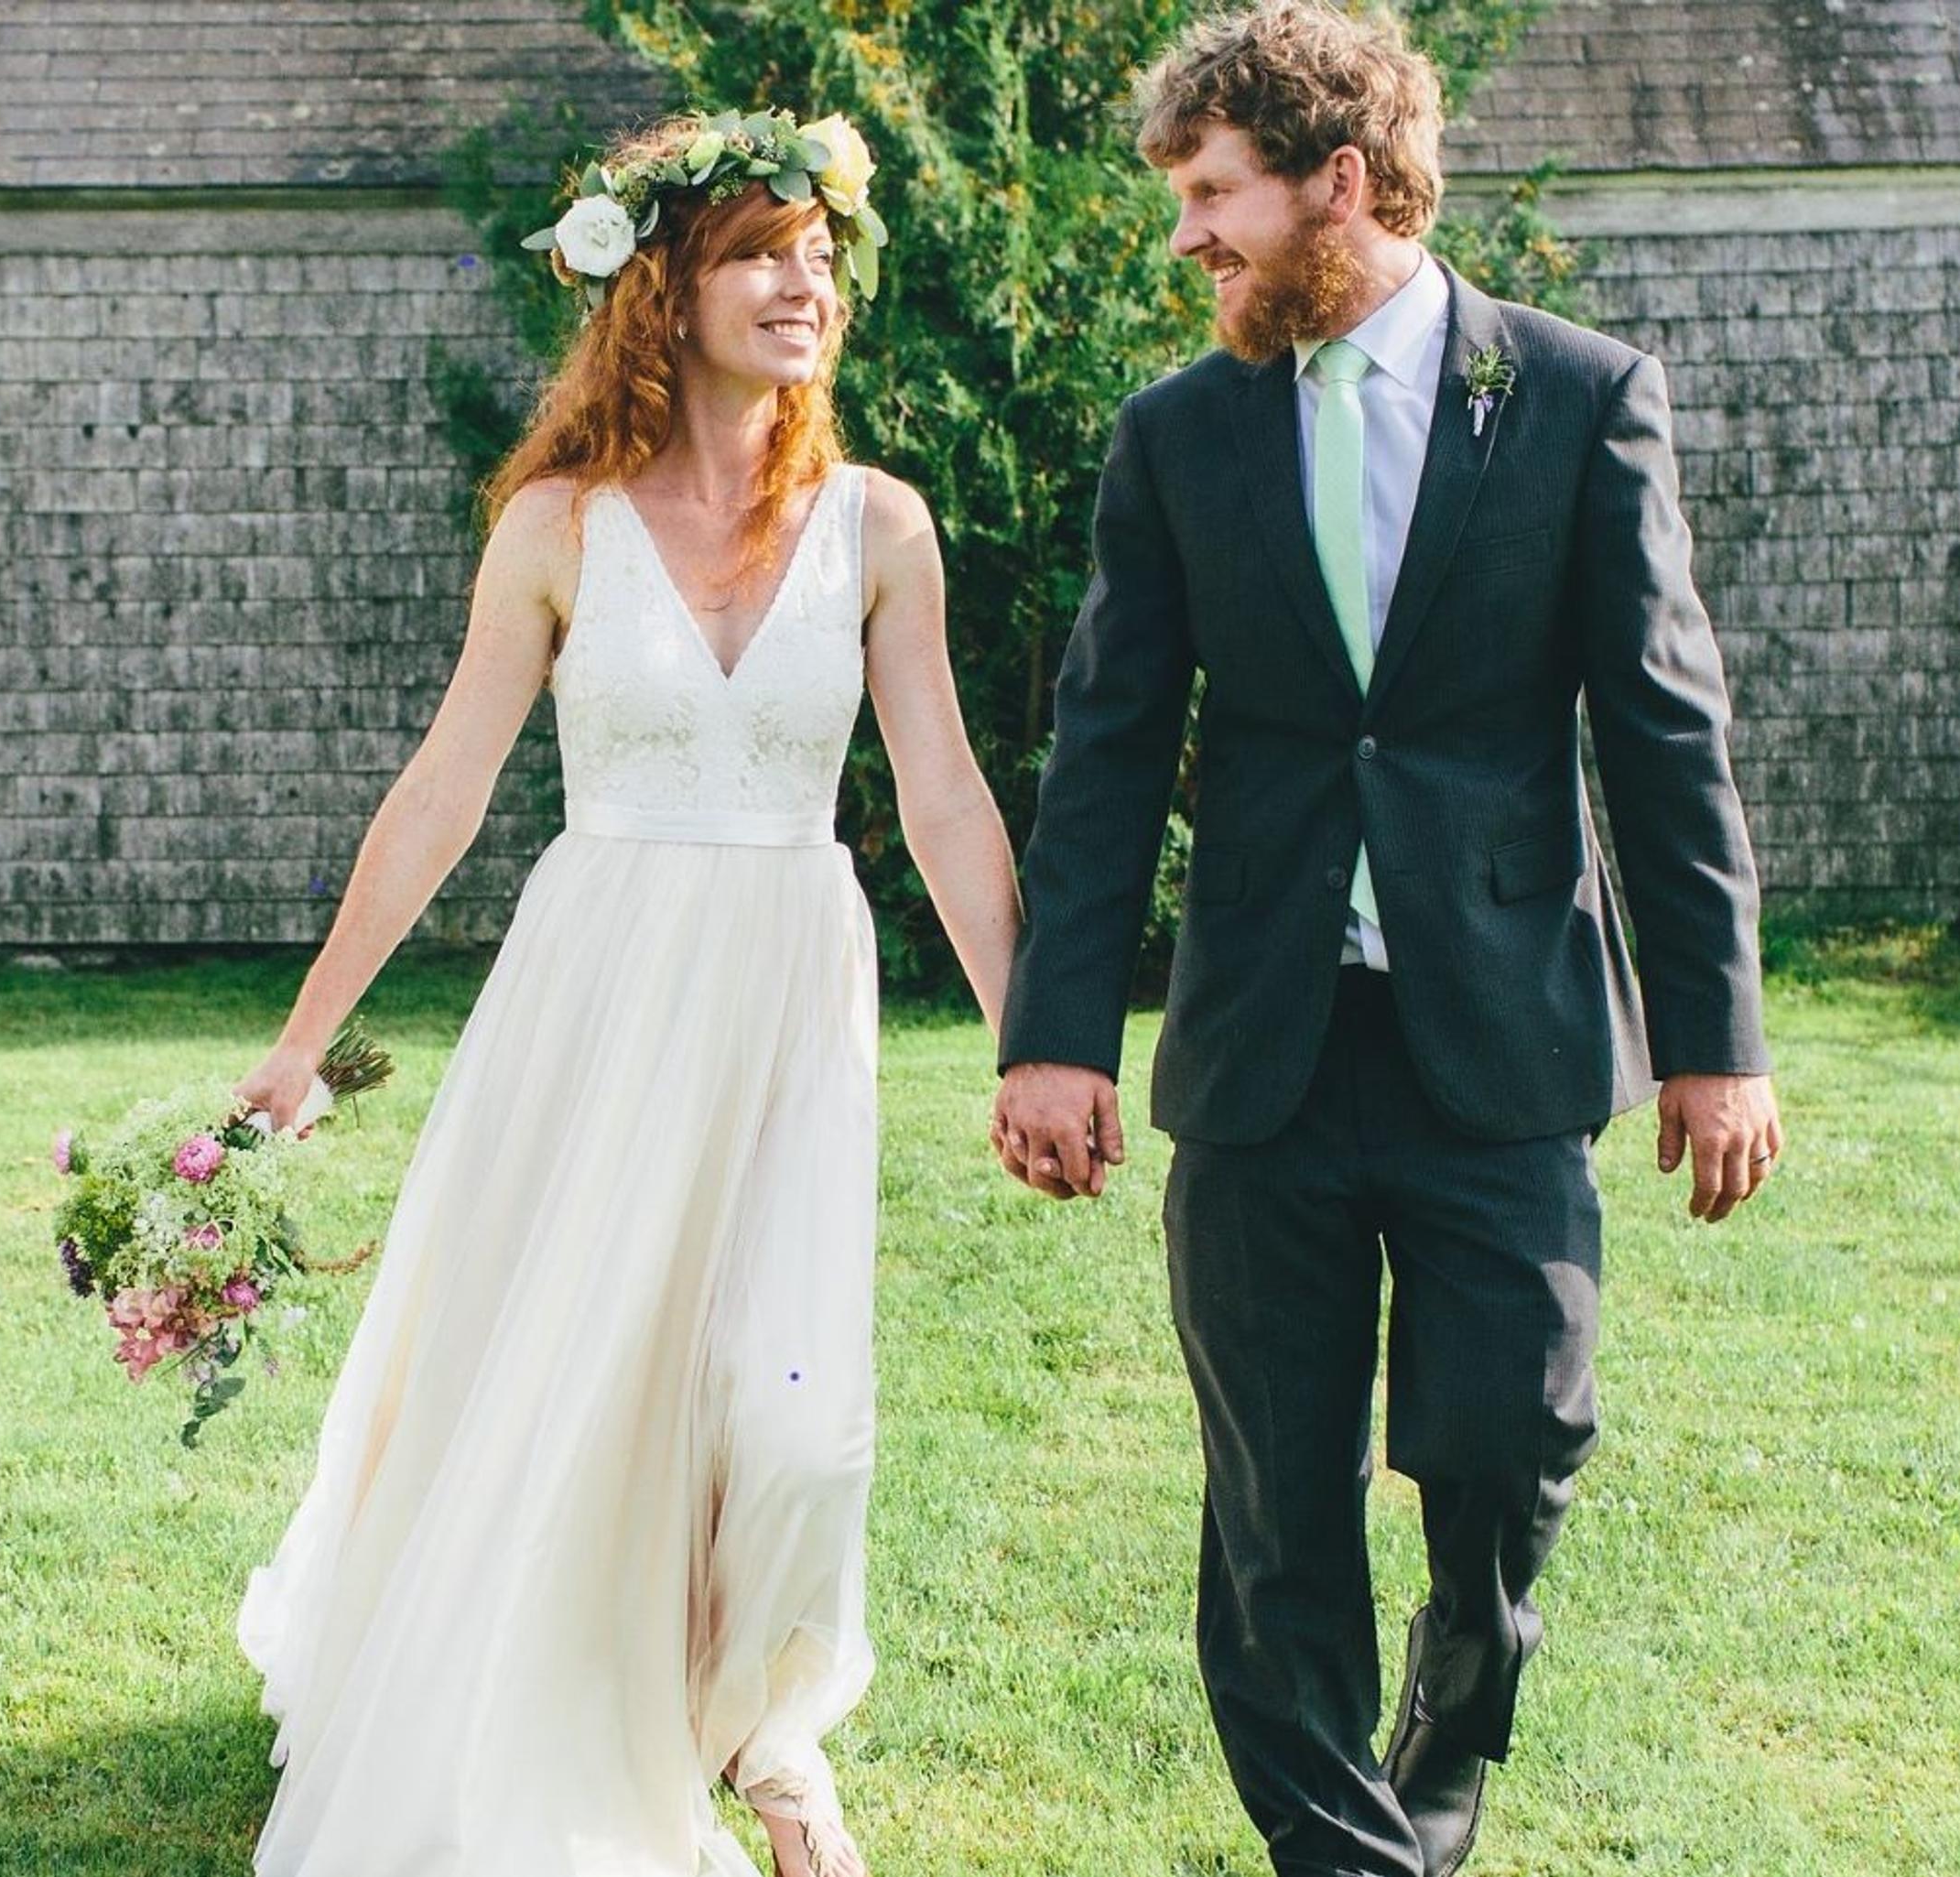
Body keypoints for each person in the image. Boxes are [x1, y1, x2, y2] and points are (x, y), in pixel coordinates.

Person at [991, 6, 1785, 1873]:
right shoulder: (1178, 436)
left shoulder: (1578, 398)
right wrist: (1059, 1031)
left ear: (1338, 183)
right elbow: (1106, 752)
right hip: (1265, 1042)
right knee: (1277, 1497)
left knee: (1513, 1451)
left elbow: (1665, 733)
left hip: (1499, 1035)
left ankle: (1425, 1775)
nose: (1188, 235)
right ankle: (1349, 1854)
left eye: (1214, 194)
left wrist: (1716, 1033)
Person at [228, 109, 1014, 1877]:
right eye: (759, 249)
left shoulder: (881, 527)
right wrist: (300, 1045)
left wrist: (1032, 1039)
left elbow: (946, 792)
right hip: (597, 994)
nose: (802, 280)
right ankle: (673, 1722)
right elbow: (440, 791)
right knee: (584, 1385)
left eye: (821, 252)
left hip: (790, 993)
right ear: (663, 285)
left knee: (799, 1415)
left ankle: (770, 1717)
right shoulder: (557, 526)